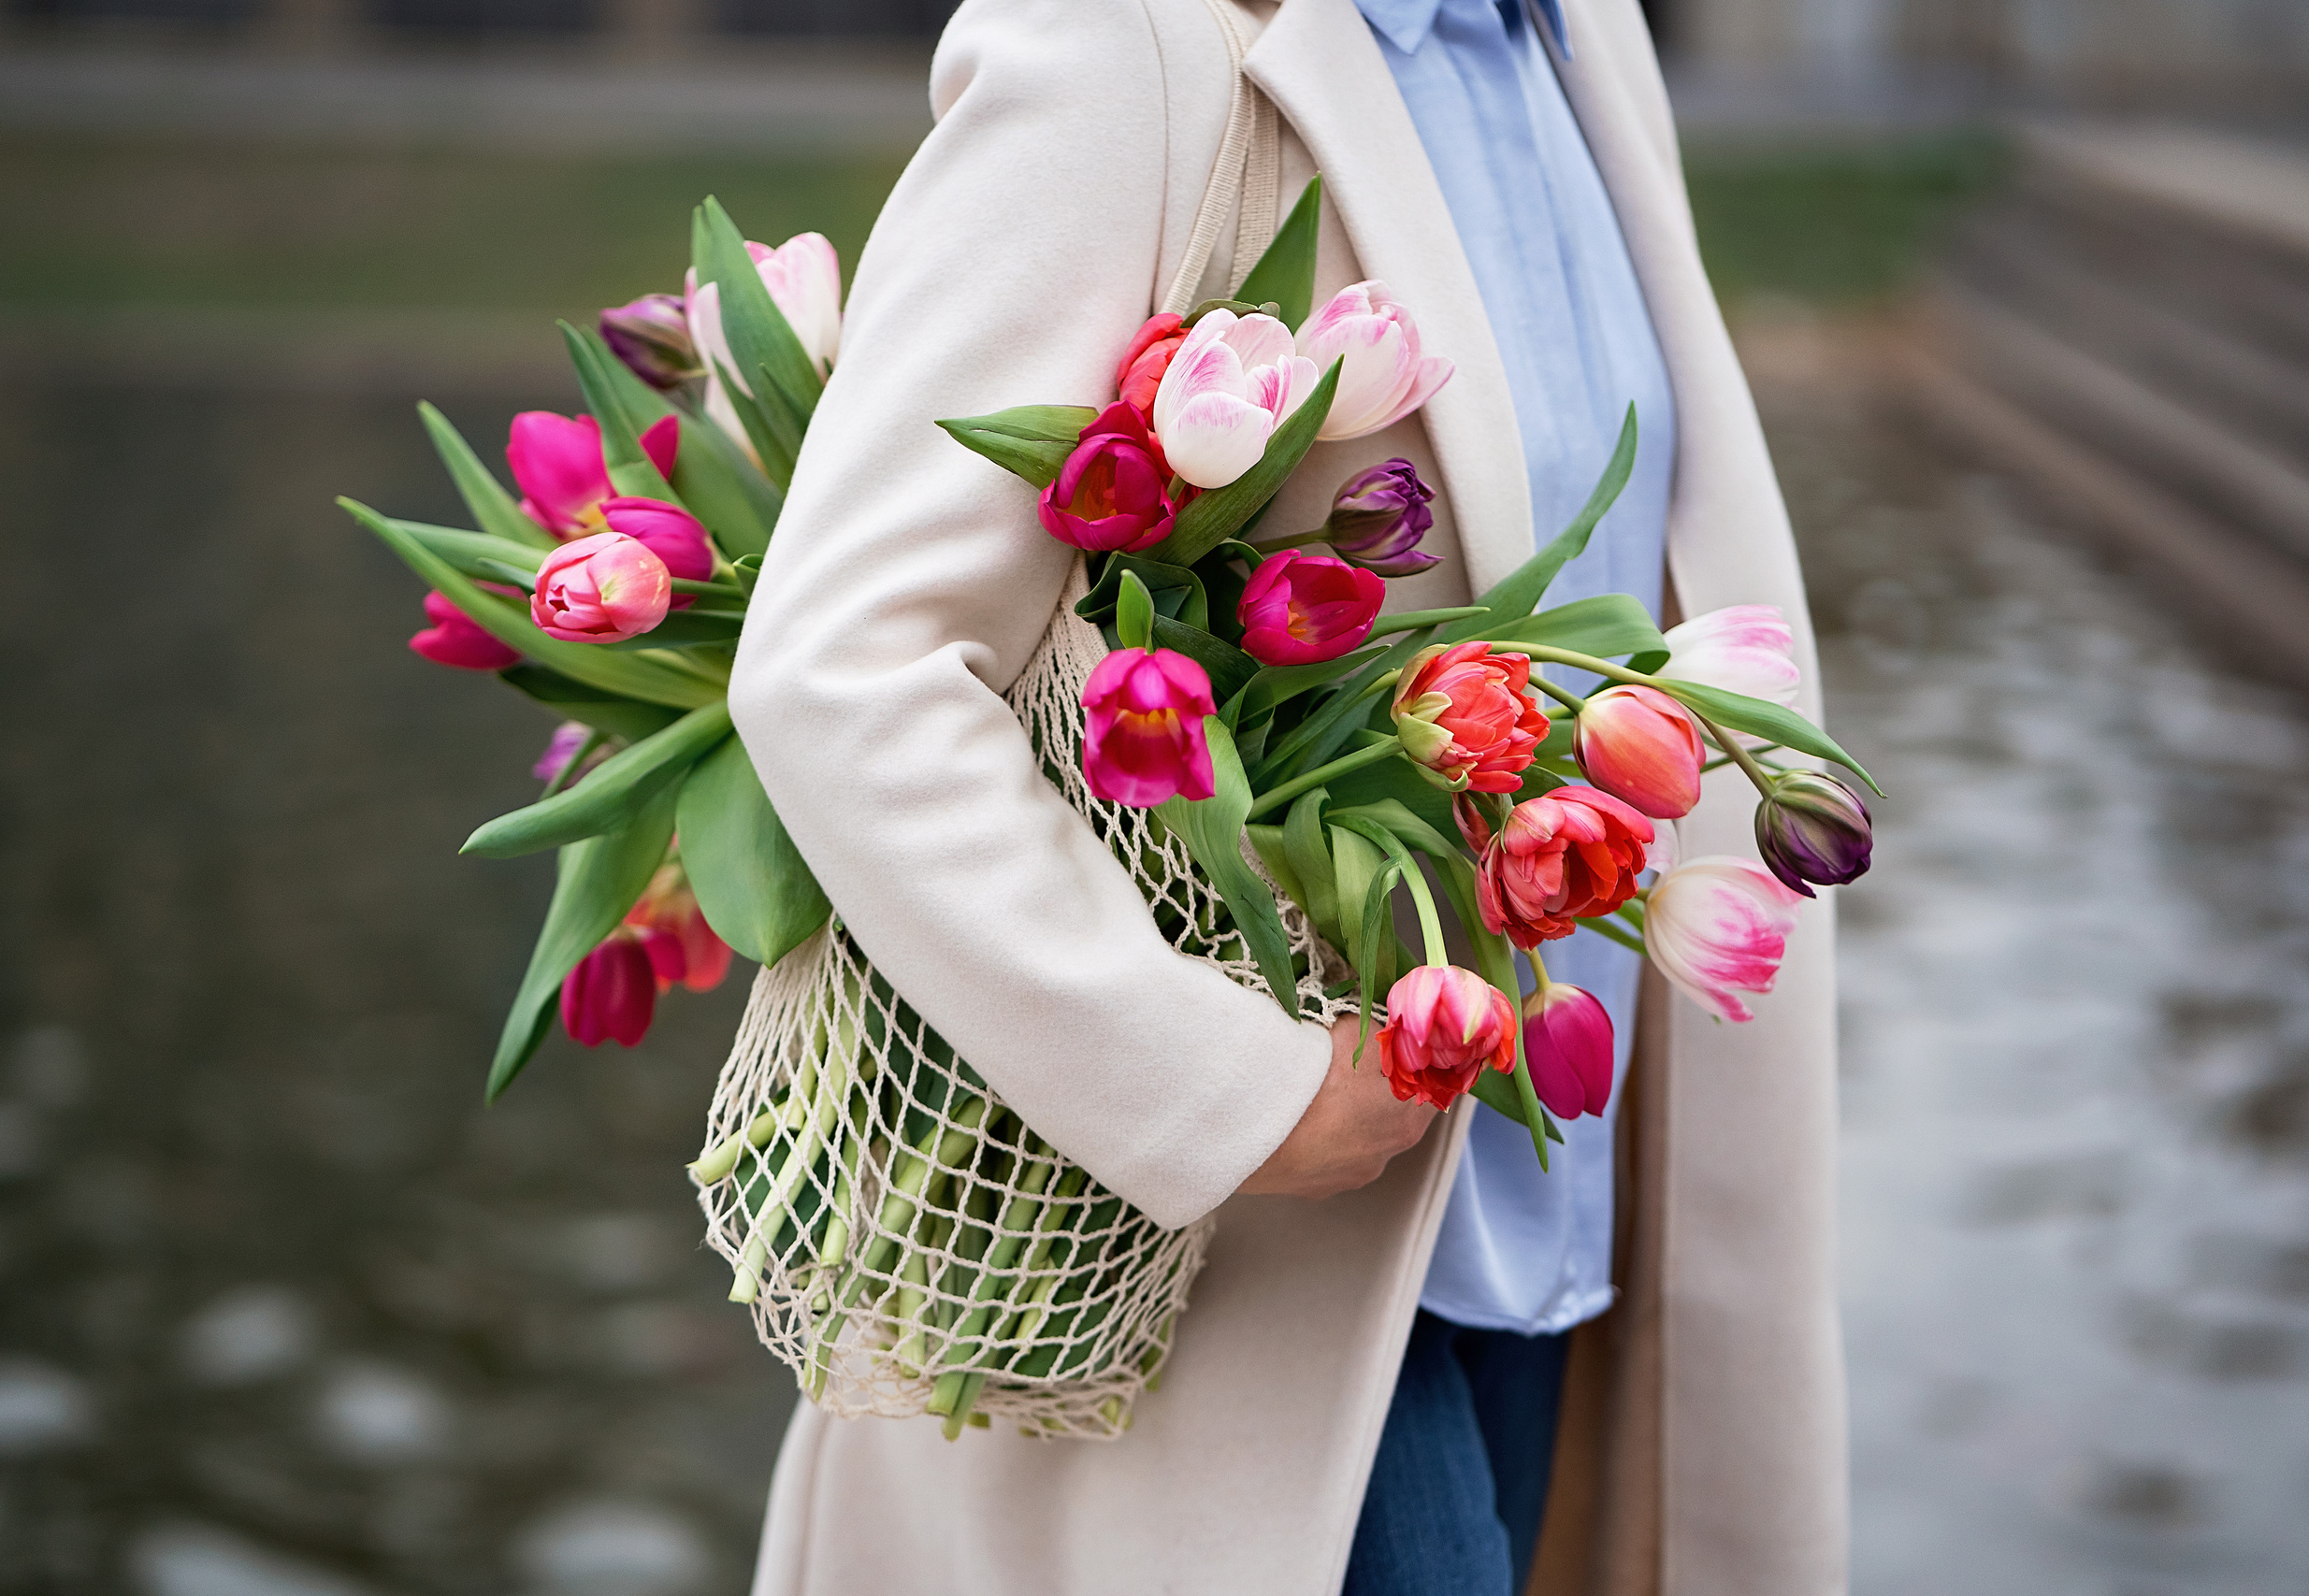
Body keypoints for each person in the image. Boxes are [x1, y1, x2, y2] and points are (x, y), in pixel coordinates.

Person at [727, 1, 1845, 1592]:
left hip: (1547, 1191)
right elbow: (844, 662)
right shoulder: (1130, 49)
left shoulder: (1577, 38)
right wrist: (1219, 1092)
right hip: (1242, 1252)